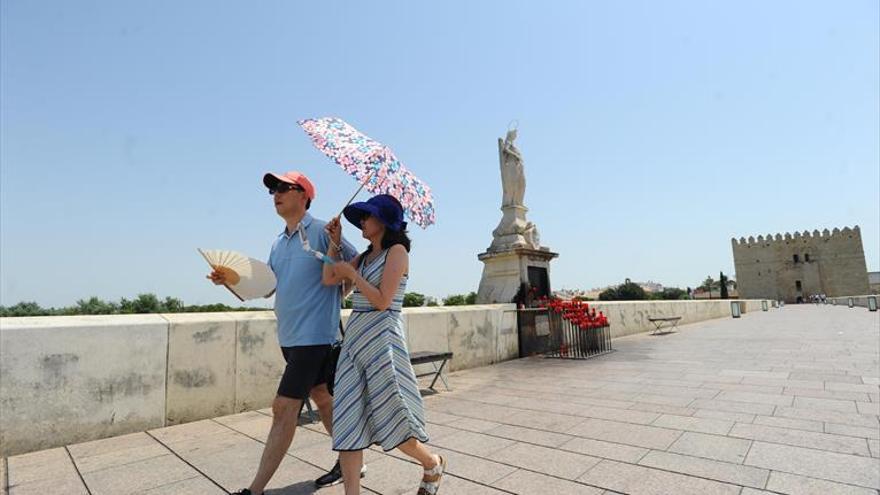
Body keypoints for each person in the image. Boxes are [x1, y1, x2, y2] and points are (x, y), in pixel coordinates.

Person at [209, 170, 361, 494]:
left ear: (304, 195)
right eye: (273, 189)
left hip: (316, 336)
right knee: (323, 398)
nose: (275, 194)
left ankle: (256, 489)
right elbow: (267, 288)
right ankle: (350, 461)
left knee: (283, 407)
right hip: (289, 336)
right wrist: (230, 280)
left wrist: (341, 288)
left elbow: (358, 263)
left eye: (282, 187)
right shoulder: (278, 242)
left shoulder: (323, 230)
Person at [323, 194, 446, 495]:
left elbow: (382, 301)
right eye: (361, 216)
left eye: (367, 216)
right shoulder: (363, 257)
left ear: (385, 221)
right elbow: (328, 277)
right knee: (348, 422)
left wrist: (353, 276)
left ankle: (432, 462)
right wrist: (334, 243)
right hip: (354, 343)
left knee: (393, 420)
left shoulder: (398, 252)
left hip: (382, 341)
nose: (362, 221)